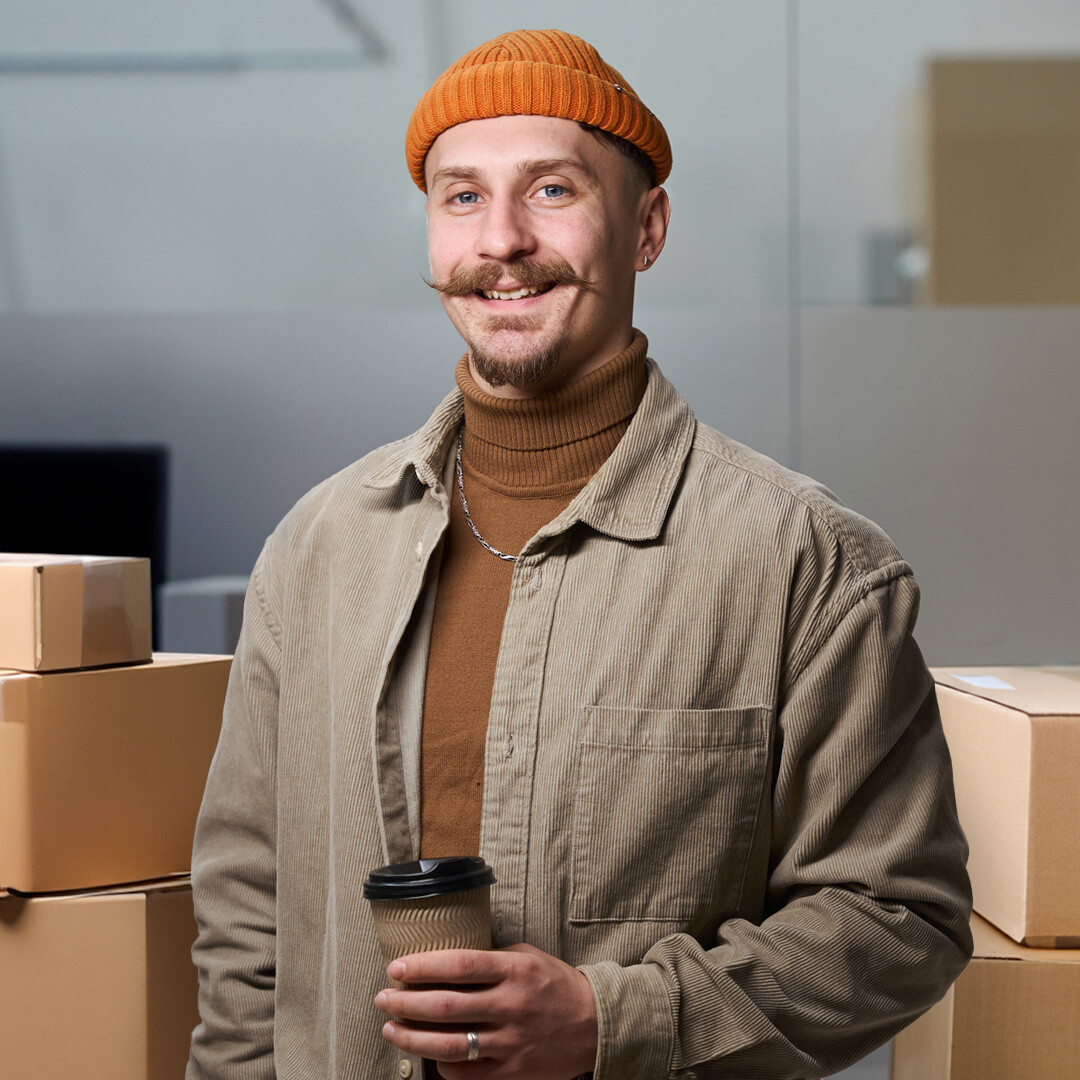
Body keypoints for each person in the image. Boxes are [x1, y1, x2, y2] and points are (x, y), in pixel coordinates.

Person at [187, 28, 972, 1080]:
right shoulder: (318, 549)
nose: (500, 240)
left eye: (551, 190)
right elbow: (247, 912)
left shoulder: (807, 564)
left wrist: (615, 1022)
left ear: (645, 229)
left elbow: (898, 922)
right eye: (461, 197)